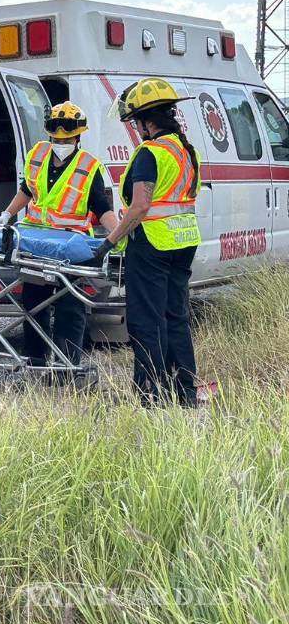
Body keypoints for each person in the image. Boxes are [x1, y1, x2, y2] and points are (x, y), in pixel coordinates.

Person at [90, 78, 201, 406]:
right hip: (183, 241)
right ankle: (185, 392)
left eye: (135, 121)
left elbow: (139, 206)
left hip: (152, 244)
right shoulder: (183, 150)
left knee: (146, 320)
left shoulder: (149, 154)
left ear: (146, 120)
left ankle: (150, 395)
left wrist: (109, 241)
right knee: (175, 316)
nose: (136, 128)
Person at [0, 102, 118, 370]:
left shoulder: (89, 167)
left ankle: (65, 364)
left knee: (69, 308)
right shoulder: (38, 155)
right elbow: (27, 190)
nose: (60, 142)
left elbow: (102, 208)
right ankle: (35, 361)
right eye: (56, 138)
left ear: (78, 137)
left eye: (66, 139)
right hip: (35, 244)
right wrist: (7, 214)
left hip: (70, 247)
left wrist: (118, 234)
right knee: (34, 304)